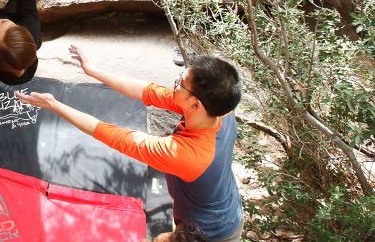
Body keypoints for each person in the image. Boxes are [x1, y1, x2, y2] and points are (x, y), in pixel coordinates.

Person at [16, 45, 244, 242]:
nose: (175, 84)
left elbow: (115, 136)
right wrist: (93, 70)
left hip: (210, 233)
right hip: (223, 208)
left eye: (180, 83)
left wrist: (55, 105)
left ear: (195, 105)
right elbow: (148, 92)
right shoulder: (219, 111)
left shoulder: (184, 154)